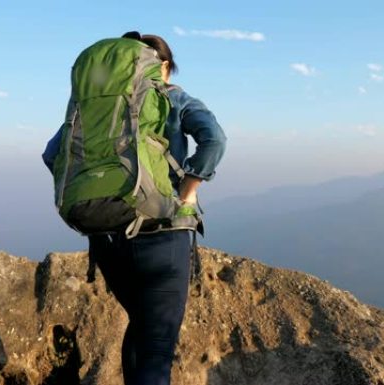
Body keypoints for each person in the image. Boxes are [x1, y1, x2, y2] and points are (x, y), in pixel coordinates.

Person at [41, 31, 227, 385]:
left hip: (106, 236)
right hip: (163, 234)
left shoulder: (94, 111)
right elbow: (214, 139)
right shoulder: (174, 97)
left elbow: (53, 155)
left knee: (141, 325)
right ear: (164, 67)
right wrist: (188, 189)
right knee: (157, 347)